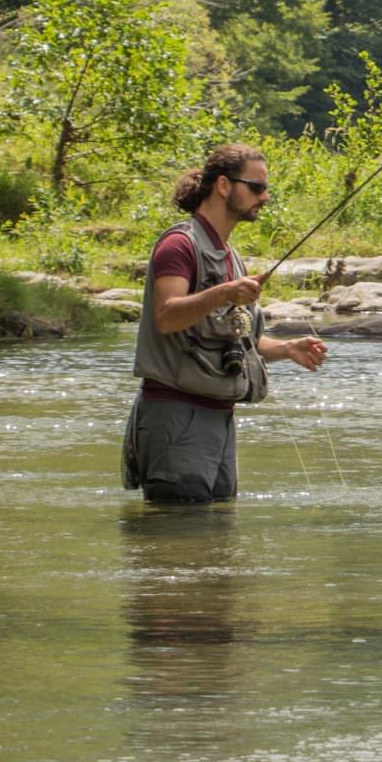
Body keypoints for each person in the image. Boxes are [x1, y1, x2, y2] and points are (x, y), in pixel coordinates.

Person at [121, 143, 328, 503]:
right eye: (256, 187)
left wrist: (286, 349)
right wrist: (223, 293)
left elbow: (236, 338)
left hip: (219, 421)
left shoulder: (231, 256)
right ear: (223, 185)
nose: (264, 198)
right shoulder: (179, 245)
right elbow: (167, 315)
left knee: (215, 542)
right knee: (177, 538)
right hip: (175, 415)